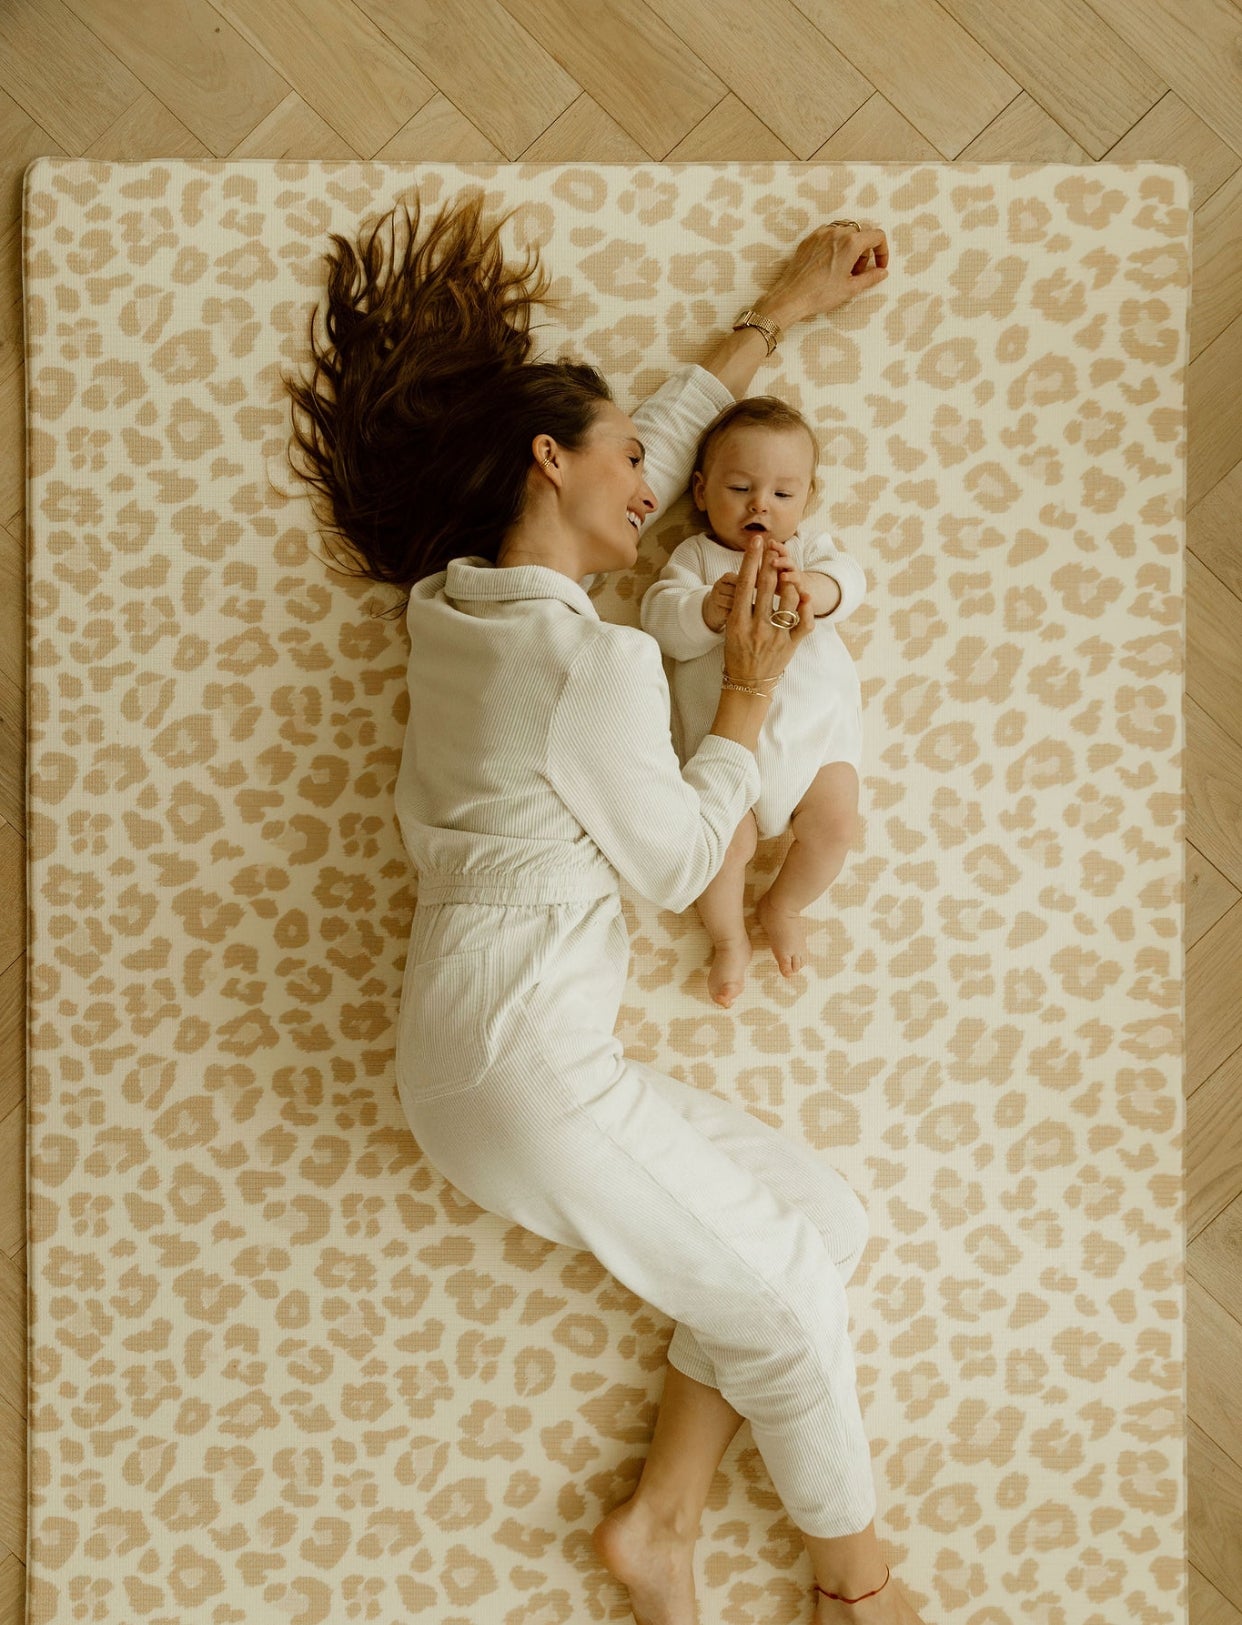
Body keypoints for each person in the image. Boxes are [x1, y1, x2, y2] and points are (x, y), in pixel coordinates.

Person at [289, 193, 924, 1625]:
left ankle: (661, 1522)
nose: (655, 478)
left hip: (498, 1049)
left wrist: (780, 311)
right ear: (548, 459)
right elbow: (673, 857)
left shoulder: (454, 604)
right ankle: (859, 1587)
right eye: (634, 461)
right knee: (783, 1302)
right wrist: (751, 694)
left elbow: (647, 426)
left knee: (817, 1220)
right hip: (524, 1065)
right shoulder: (591, 665)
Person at [641, 397, 865, 1007]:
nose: (761, 504)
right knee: (722, 846)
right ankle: (729, 938)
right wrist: (706, 610)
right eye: (740, 486)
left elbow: (851, 583)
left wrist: (812, 589)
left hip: (814, 746)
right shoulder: (696, 559)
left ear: (808, 501)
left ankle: (783, 903)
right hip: (725, 754)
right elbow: (660, 619)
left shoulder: (812, 552)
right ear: (701, 489)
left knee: (838, 826)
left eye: (784, 494)